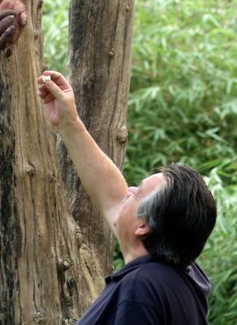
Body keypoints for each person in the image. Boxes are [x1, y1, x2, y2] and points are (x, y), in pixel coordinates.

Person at [37, 70, 217, 325]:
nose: (128, 190)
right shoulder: (184, 277)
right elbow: (112, 196)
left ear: (143, 226)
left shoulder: (140, 290)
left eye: (138, 192)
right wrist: (69, 121)